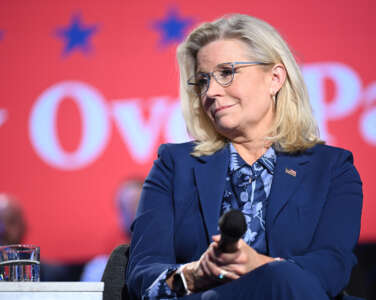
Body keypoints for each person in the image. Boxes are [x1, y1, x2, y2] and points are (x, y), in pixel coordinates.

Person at [126, 14, 363, 300]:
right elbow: (142, 274)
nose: (211, 92)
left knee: (282, 276)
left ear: (274, 78)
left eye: (226, 72)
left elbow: (332, 269)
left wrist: (258, 266)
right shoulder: (174, 165)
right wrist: (196, 274)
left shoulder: (332, 168)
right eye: (202, 81)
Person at [81, 178, 143, 281]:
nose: (131, 212)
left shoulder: (169, 247)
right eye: (124, 206)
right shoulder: (101, 264)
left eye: (136, 203)